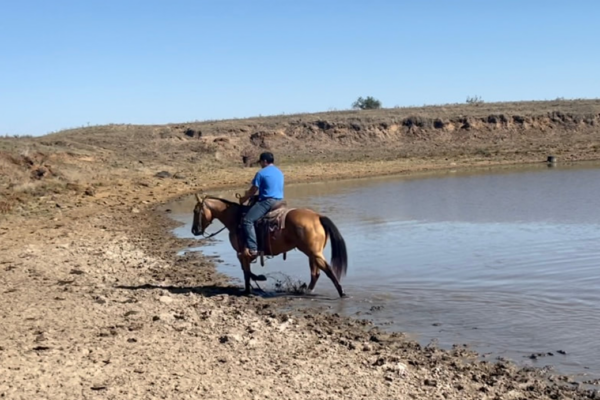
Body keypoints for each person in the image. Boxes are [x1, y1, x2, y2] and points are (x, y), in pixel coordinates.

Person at [238, 151, 284, 257]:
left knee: (247, 221)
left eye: (261, 162)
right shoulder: (279, 172)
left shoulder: (261, 173)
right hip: (280, 201)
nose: (260, 165)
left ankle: (253, 248)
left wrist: (244, 198)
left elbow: (253, 190)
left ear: (264, 161)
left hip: (268, 202)